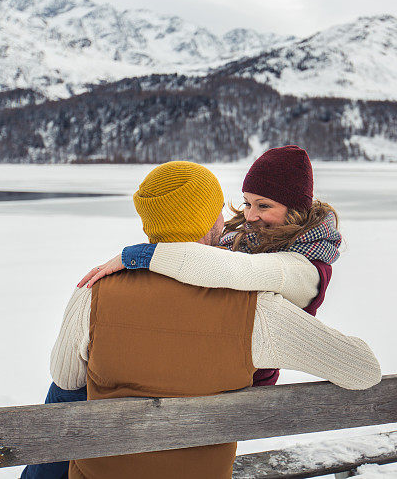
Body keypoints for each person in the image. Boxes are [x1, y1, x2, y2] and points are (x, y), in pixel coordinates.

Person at [22, 161, 380, 479]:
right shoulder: (258, 310)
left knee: (66, 395)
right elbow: (362, 369)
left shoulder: (92, 292)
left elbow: (67, 380)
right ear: (213, 221)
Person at [80, 145, 340, 387]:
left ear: (295, 209)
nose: (250, 215)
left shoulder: (305, 269)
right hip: (205, 370)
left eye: (264, 205)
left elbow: (234, 269)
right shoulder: (243, 239)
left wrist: (139, 255)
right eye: (247, 202)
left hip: (240, 385)